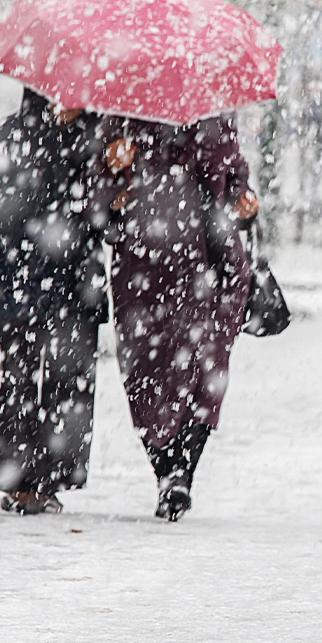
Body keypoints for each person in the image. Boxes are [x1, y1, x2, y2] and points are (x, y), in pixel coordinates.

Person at [96, 115, 257, 521]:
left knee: (208, 369)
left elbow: (233, 172)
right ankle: (166, 469)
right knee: (146, 371)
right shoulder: (122, 116)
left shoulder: (213, 112)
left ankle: (180, 473)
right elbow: (99, 194)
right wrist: (115, 174)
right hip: (143, 265)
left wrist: (240, 196)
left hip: (209, 262)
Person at [0, 89, 105, 516]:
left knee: (68, 387)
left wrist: (112, 181)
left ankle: (51, 479)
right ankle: (19, 480)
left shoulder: (97, 135)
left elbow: (108, 214)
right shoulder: (16, 133)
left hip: (75, 283)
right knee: (19, 381)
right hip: (20, 277)